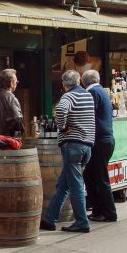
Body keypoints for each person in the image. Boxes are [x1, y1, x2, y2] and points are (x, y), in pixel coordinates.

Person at [40, 70, 95, 233]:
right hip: (87, 145)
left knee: (75, 185)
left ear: (64, 85)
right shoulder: (87, 95)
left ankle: (82, 222)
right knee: (63, 184)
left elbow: (61, 112)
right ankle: (50, 219)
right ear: (78, 82)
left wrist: (63, 128)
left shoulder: (67, 97)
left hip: (73, 145)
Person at [81, 70, 117, 223]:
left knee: (100, 178)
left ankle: (109, 213)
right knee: (91, 176)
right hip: (105, 140)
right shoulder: (102, 91)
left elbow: (88, 115)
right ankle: (97, 210)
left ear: (84, 82)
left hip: (99, 141)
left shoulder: (93, 93)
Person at [0, 68, 25, 137]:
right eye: (16, 82)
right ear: (12, 83)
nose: (16, 84)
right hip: (8, 142)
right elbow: (18, 123)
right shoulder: (11, 98)